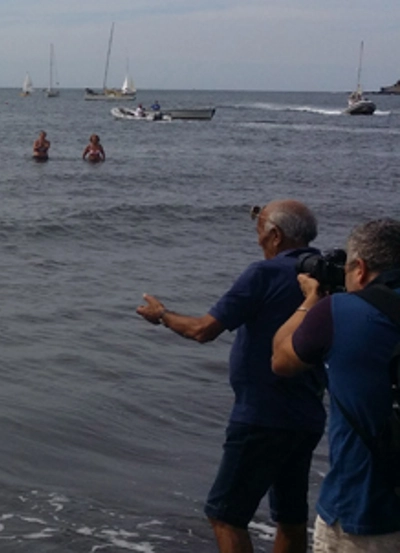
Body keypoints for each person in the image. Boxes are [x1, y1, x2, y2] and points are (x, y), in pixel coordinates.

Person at [136, 200, 326, 553]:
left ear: (275, 235)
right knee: (291, 517)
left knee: (225, 516)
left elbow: (203, 330)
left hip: (262, 415)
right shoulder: (325, 276)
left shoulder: (263, 274)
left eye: (260, 230)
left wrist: (162, 315)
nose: (257, 240)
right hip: (308, 414)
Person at [272, 218, 400, 551]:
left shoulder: (340, 311)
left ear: (360, 268)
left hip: (364, 513)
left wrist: (311, 301)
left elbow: (281, 360)